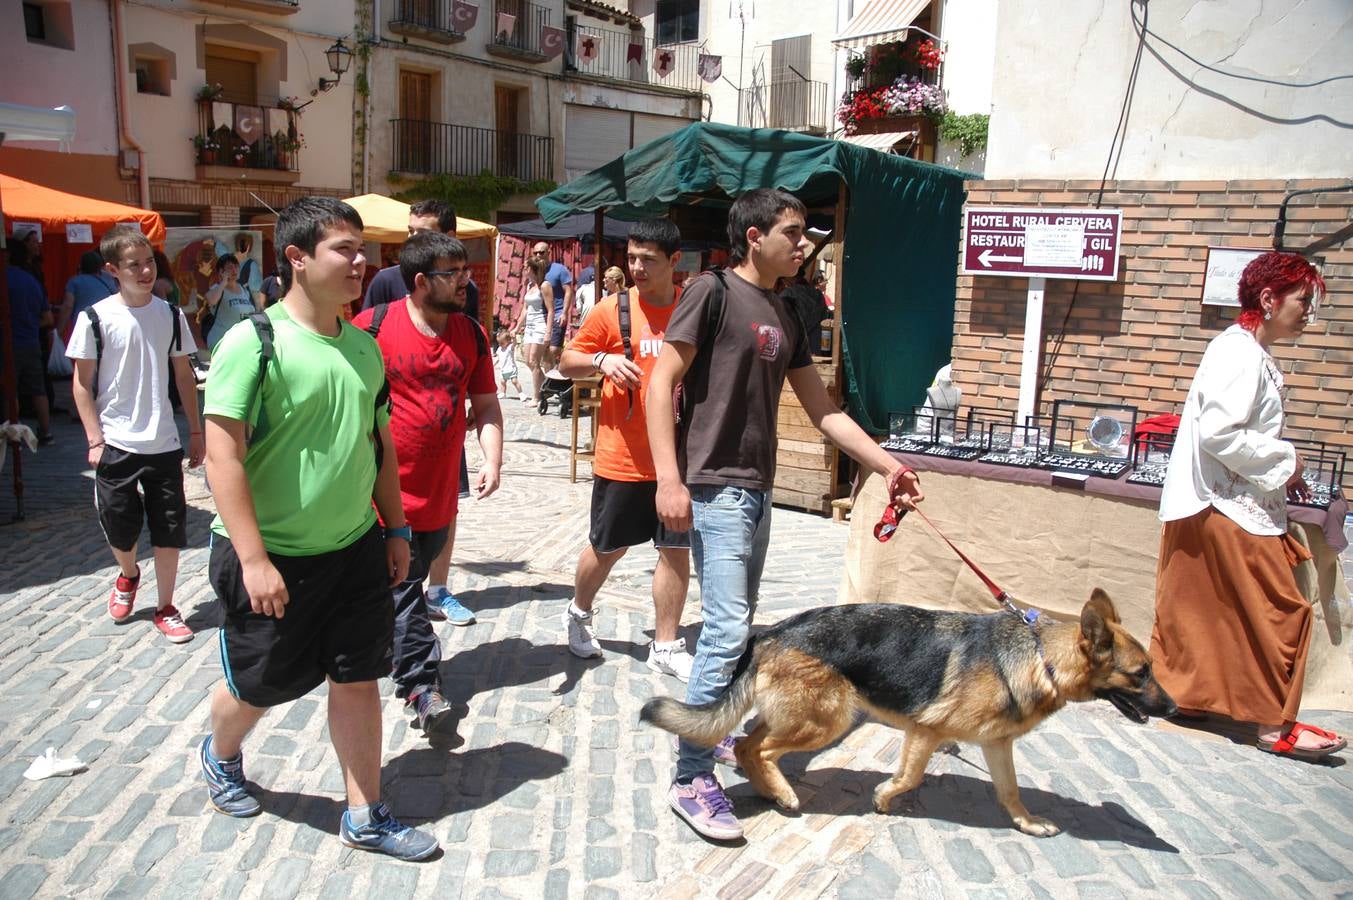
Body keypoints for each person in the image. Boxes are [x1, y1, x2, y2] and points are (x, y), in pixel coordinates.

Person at [646, 188, 925, 841]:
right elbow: (660, 382)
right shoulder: (710, 292)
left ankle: (712, 740)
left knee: (734, 629)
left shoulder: (785, 311)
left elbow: (823, 411)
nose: (803, 244)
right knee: (721, 634)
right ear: (752, 236)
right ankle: (690, 777)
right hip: (712, 486)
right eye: (793, 232)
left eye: (804, 233)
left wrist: (887, 466)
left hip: (754, 488)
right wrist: (668, 477)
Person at [199, 197, 438, 860]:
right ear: (297, 259)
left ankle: (366, 813)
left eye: (363, 248)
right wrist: (252, 560)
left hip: (355, 546)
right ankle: (219, 753)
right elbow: (221, 455)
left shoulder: (362, 346)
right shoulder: (254, 342)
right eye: (344, 249)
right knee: (262, 685)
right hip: (270, 555)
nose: (362, 261)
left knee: (357, 676)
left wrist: (395, 530)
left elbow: (378, 444)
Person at [1150, 251, 1344, 762]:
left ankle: (1185, 698)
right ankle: (1269, 723)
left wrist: (1281, 476)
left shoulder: (1246, 352)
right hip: (1222, 505)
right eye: (1303, 301)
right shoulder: (1238, 353)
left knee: (1203, 608)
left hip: (1215, 502)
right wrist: (1290, 462)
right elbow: (1220, 434)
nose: (1308, 313)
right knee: (1277, 611)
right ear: (1268, 299)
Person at [353, 231, 503, 735]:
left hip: (439, 500)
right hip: (379, 502)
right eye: (453, 274)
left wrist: (492, 460)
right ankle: (421, 685)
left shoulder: (471, 334)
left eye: (465, 271)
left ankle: (388, 652)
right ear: (420, 282)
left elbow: (485, 405)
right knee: (403, 594)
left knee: (407, 588)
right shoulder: (370, 329)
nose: (466, 281)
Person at [557, 218, 695, 680]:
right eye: (631, 257)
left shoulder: (689, 308)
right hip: (623, 457)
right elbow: (566, 361)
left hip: (675, 460)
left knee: (675, 549)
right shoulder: (610, 310)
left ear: (675, 261)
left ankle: (666, 643)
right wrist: (603, 358)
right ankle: (578, 612)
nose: (636, 267)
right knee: (607, 547)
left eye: (647, 260)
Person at [65, 224, 203, 641]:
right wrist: (95, 438)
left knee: (169, 528)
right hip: (117, 442)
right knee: (120, 526)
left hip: (163, 441)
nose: (144, 272)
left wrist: (195, 432)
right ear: (112, 269)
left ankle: (166, 605)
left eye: (149, 263)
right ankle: (127, 575)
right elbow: (80, 384)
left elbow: (183, 376)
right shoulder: (95, 318)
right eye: (133, 265)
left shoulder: (171, 315)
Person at [361, 199, 480, 323]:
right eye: (411, 231)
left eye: (423, 233)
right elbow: (365, 333)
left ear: (449, 237)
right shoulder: (385, 281)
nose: (412, 239)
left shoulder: (466, 288)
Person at [5, 243, 54, 444]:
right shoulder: (31, 281)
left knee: (9, 390)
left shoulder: (4, 278)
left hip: (10, 343)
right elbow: (48, 318)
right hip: (31, 341)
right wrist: (30, 324)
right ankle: (46, 432)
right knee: (38, 389)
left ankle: (10, 435)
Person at [513, 257, 552, 406]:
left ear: (531, 269)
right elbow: (525, 309)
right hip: (529, 327)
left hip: (540, 326)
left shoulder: (544, 286)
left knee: (535, 361)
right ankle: (546, 386)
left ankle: (536, 397)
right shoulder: (530, 286)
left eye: (525, 267)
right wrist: (517, 327)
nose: (523, 270)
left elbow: (550, 311)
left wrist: (548, 332)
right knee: (528, 361)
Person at [200, 253, 259, 352]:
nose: (234, 270)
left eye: (236, 267)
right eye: (230, 268)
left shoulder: (244, 290)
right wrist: (223, 282)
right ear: (221, 271)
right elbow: (211, 300)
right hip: (222, 343)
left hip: (240, 344)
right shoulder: (218, 289)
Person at [529, 241, 574, 366]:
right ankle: (548, 380)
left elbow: (568, 292)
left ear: (548, 253)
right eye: (535, 252)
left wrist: (564, 313)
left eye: (541, 252)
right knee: (540, 355)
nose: (538, 255)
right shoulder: (535, 271)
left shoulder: (559, 270)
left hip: (557, 314)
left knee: (553, 351)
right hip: (540, 317)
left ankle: (556, 378)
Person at [59, 251, 118, 338]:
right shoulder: (109, 279)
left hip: (84, 326)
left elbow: (68, 306)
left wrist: (59, 330)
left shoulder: (74, 282)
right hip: (109, 324)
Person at [494, 330, 523, 399]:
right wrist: (493, 364)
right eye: (499, 343)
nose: (500, 344)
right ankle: (503, 393)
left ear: (508, 341)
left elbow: (514, 344)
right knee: (502, 382)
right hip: (503, 369)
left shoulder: (510, 348)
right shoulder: (499, 349)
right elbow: (498, 358)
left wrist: (514, 338)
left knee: (514, 381)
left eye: (502, 343)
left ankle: (521, 393)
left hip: (511, 368)